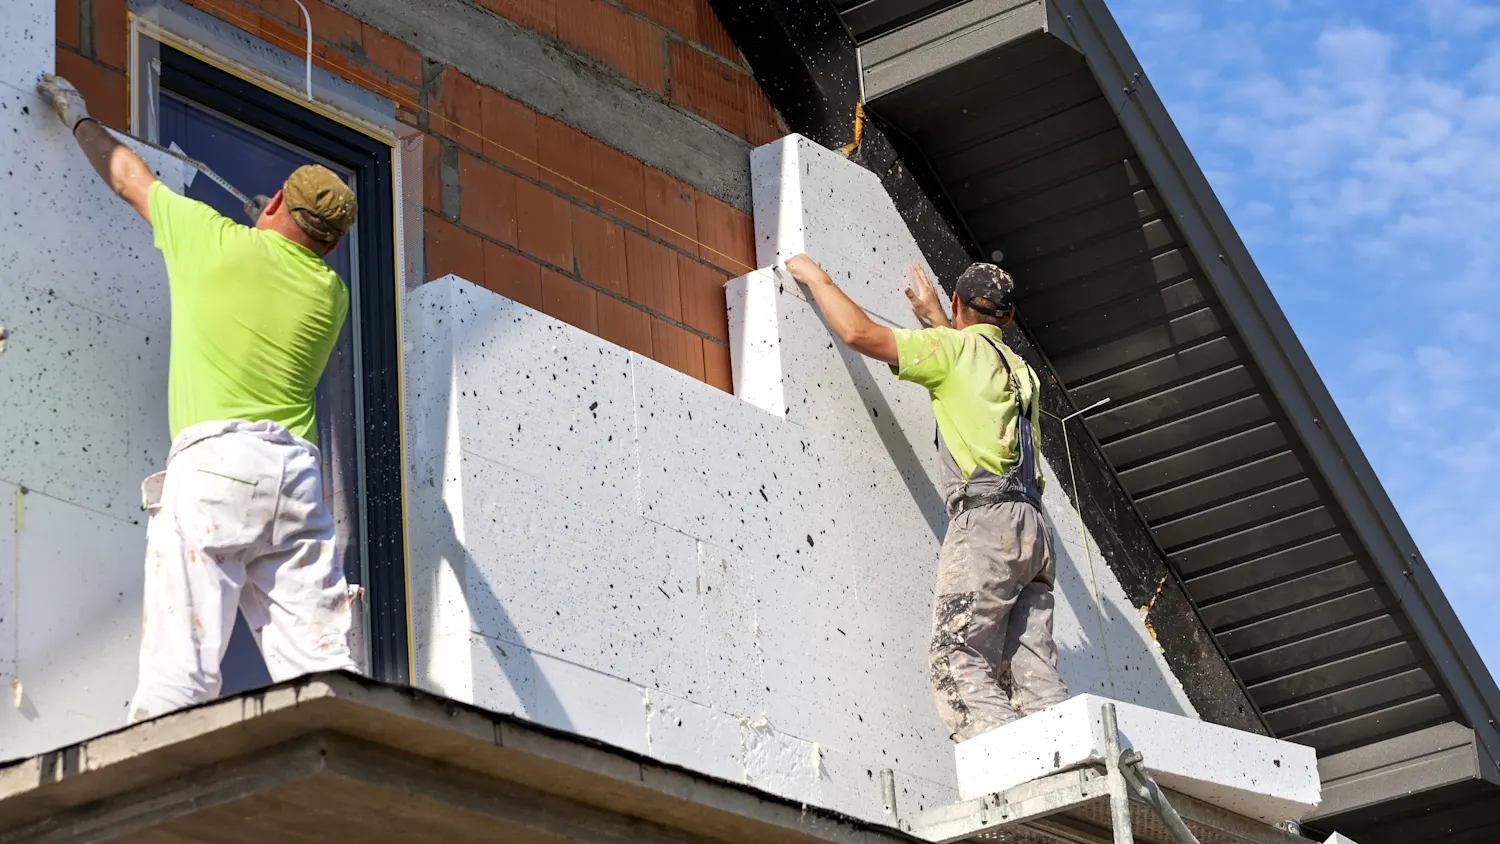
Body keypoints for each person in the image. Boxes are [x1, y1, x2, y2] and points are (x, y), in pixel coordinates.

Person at [37, 75, 361, 722]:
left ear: (276, 204)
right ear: (332, 244)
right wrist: (265, 230)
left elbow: (129, 177)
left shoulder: (209, 240)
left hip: (218, 467)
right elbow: (281, 262)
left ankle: (156, 769)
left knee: (179, 671)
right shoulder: (332, 295)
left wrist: (77, 116)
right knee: (322, 668)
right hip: (295, 481)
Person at [784, 253, 1068, 742]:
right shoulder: (1022, 370)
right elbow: (975, 369)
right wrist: (940, 319)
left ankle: (1009, 763)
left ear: (957, 303)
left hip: (987, 526)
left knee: (957, 656)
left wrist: (817, 276)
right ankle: (1074, 756)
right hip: (1034, 532)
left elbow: (859, 334)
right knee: (1032, 672)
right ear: (1009, 318)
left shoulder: (952, 351)